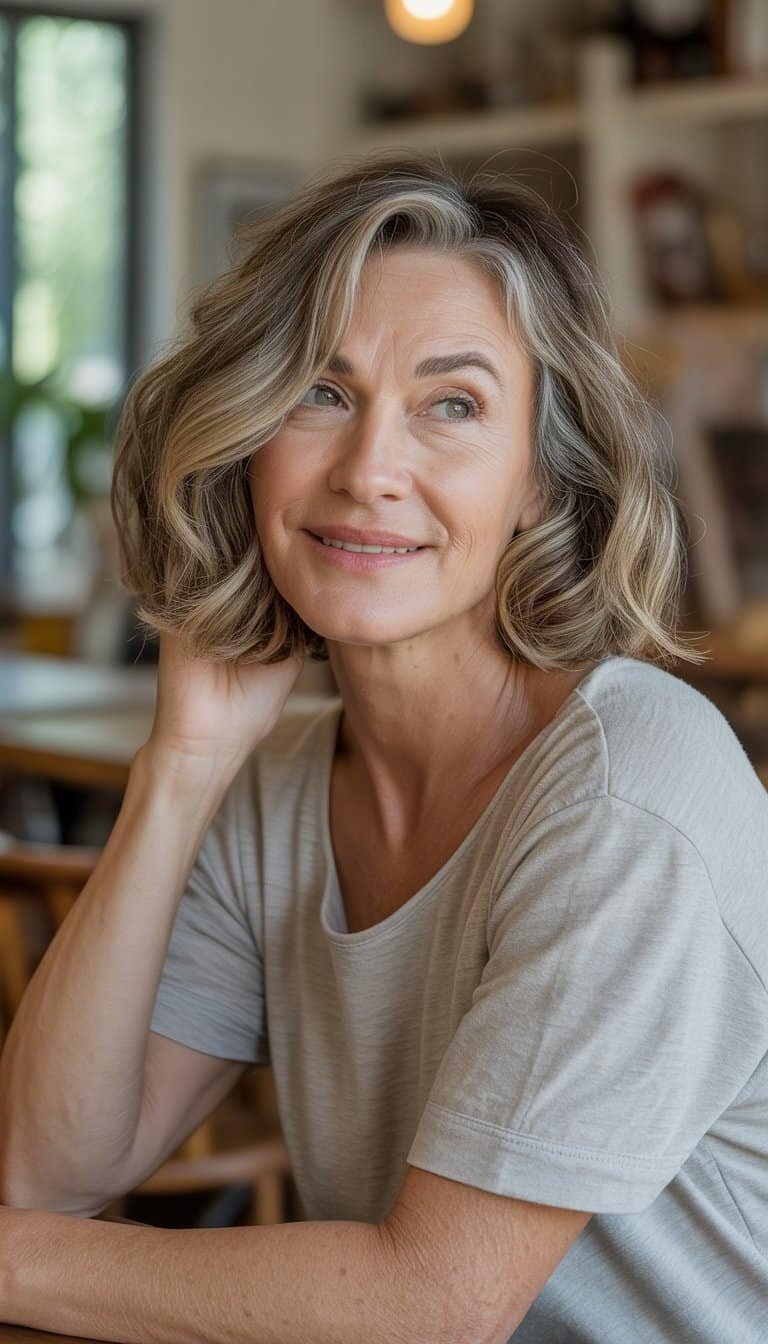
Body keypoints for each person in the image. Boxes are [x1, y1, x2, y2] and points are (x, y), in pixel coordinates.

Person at [1, 151, 766, 1344]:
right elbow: (51, 1174)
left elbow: (432, 1305)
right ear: (250, 440)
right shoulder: (277, 788)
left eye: (452, 406)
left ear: (536, 481)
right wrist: (182, 770)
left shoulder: (630, 788)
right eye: (320, 391)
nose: (369, 473)